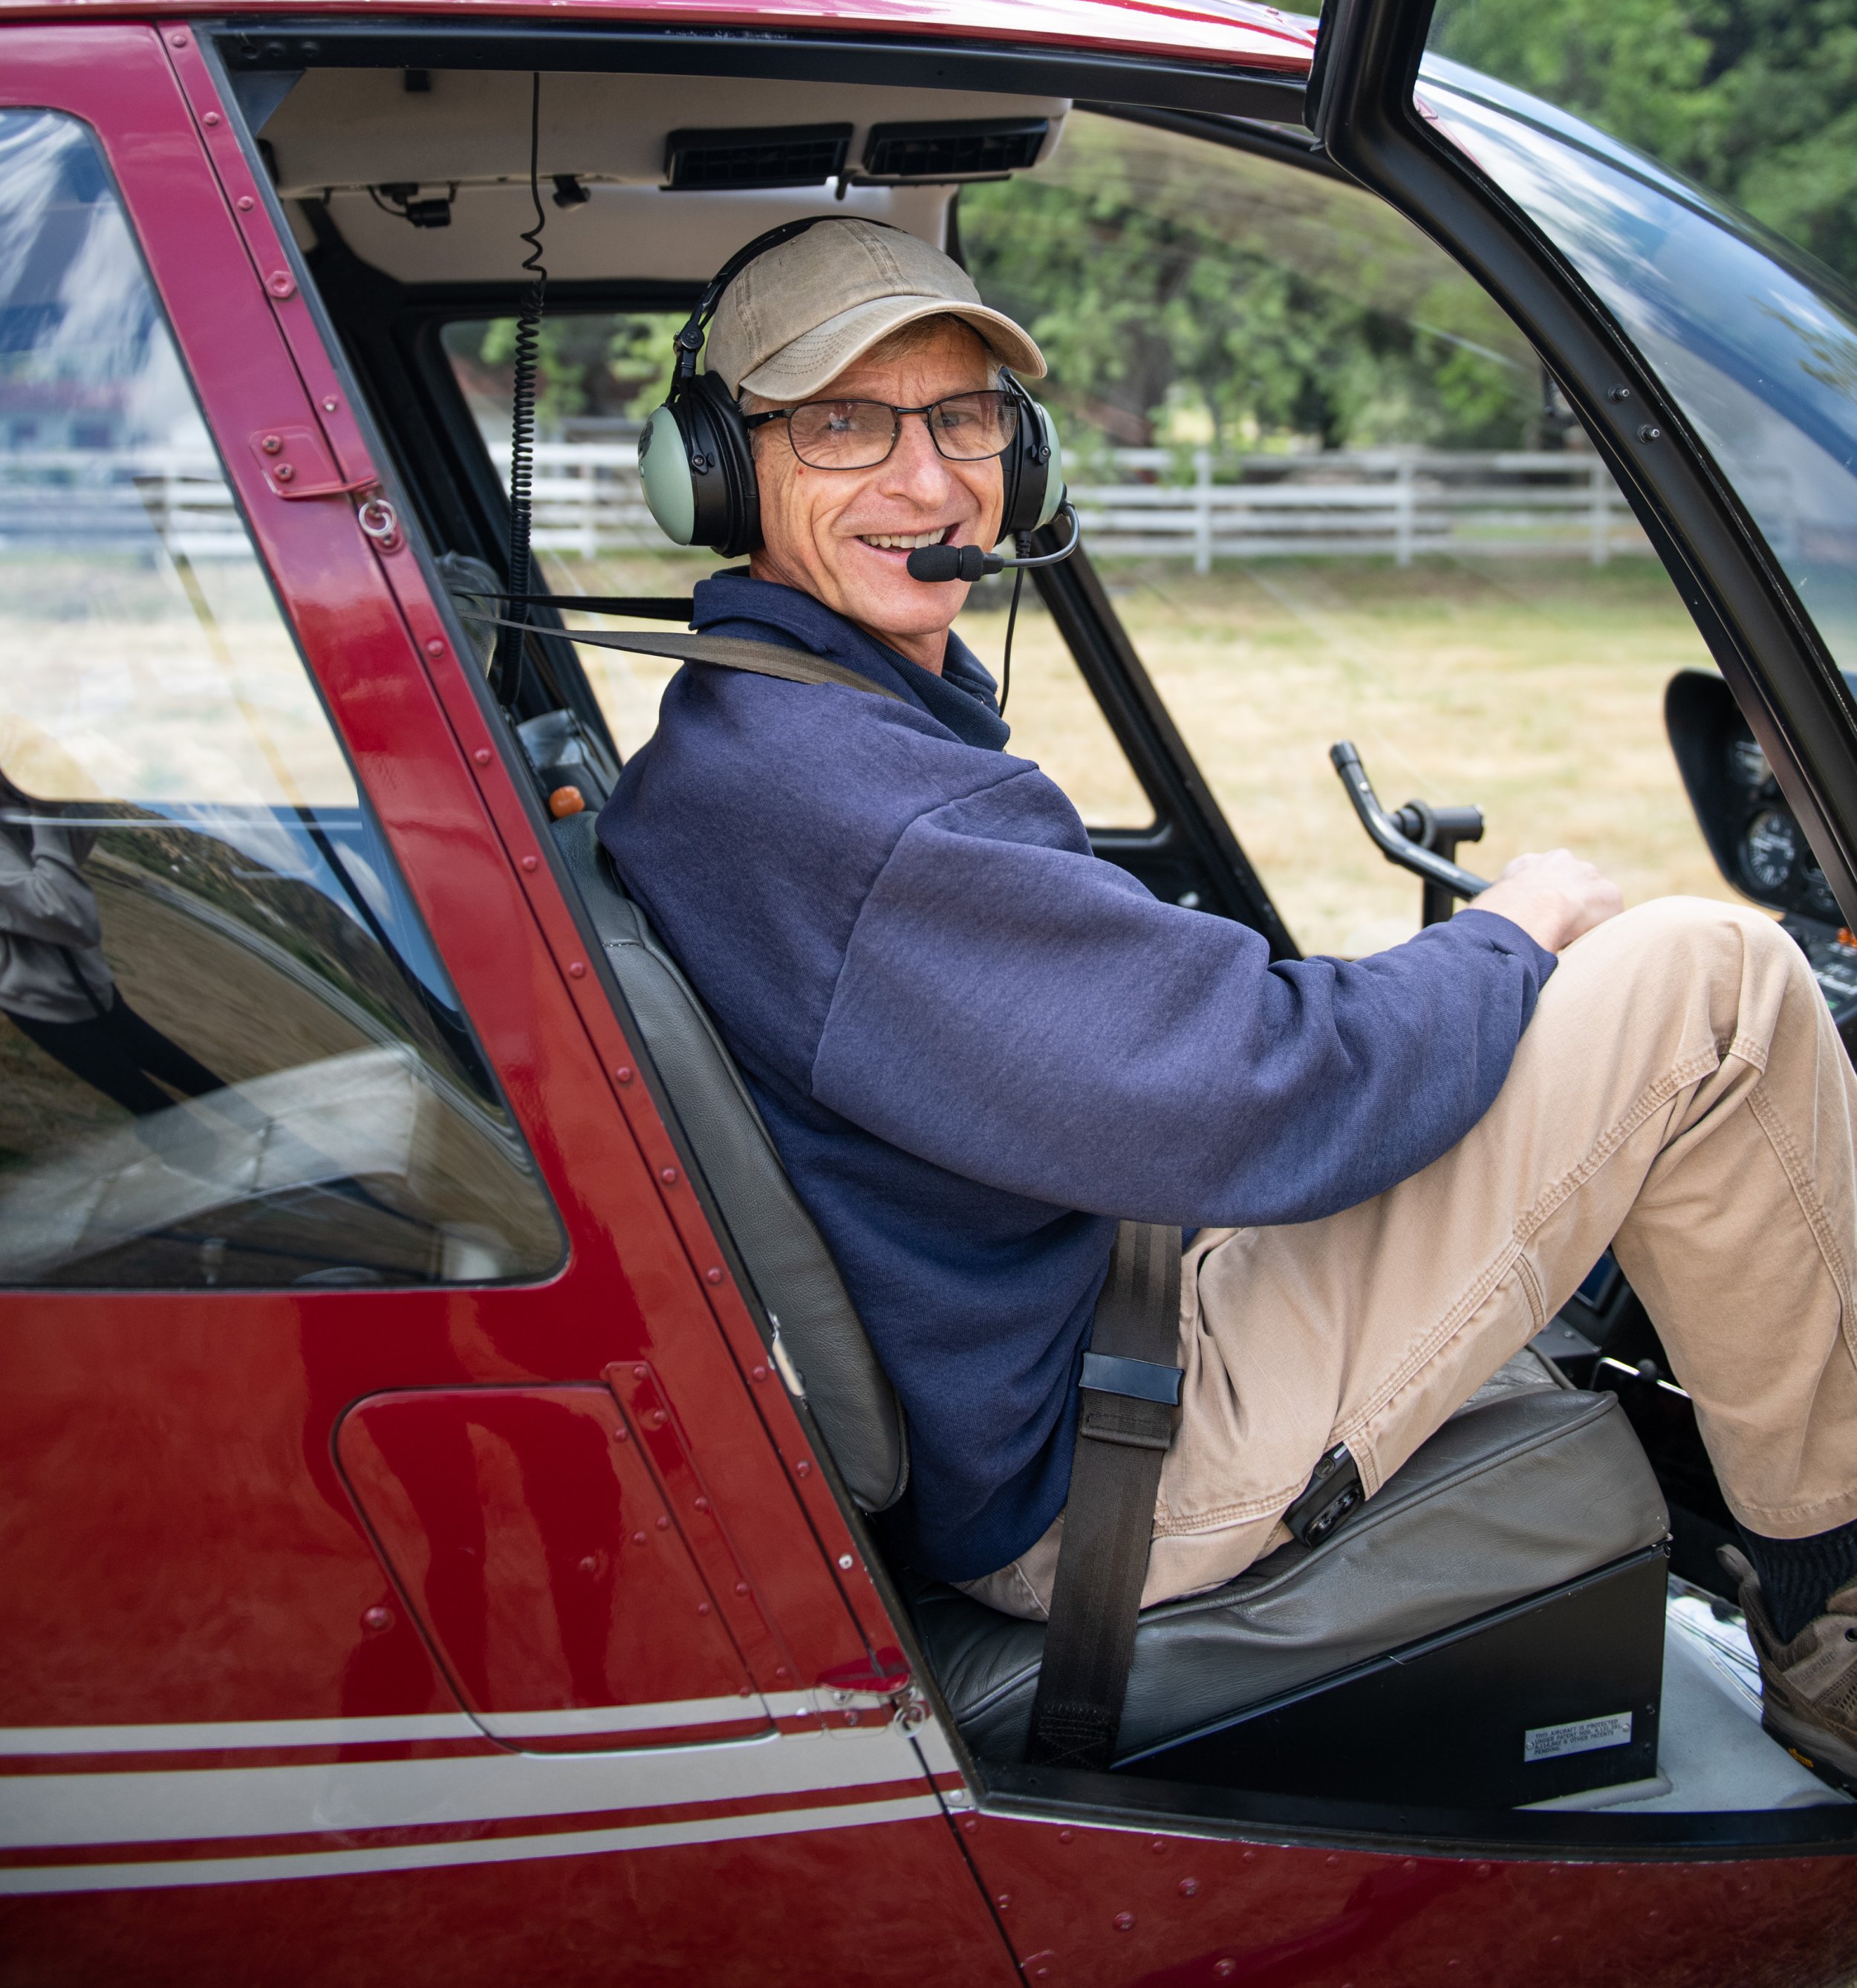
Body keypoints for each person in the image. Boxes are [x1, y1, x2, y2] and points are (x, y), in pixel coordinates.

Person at [598, 217, 1857, 1789]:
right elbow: (1264, 1086)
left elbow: (1157, 1048)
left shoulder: (750, 737)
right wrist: (1519, 926)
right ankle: (1831, 1615)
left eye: (963, 419)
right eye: (844, 423)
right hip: (1101, 1470)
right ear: (715, 466)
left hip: (1071, 1335)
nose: (926, 485)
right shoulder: (851, 809)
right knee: (1710, 983)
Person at [0, 812, 227, 1117]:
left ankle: (279, 1143)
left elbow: (66, 866)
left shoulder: (12, 822)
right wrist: (46, 815)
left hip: (97, 992)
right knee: (163, 1116)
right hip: (42, 1009)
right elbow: (68, 914)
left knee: (208, 1088)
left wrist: (71, 808)